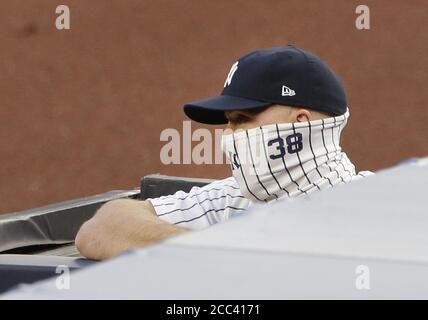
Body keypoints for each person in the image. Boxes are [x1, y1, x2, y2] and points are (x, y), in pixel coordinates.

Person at [75, 45, 372, 260]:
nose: (229, 135)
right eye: (228, 122)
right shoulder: (233, 198)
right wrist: (209, 254)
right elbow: (101, 227)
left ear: (300, 124)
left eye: (242, 119)